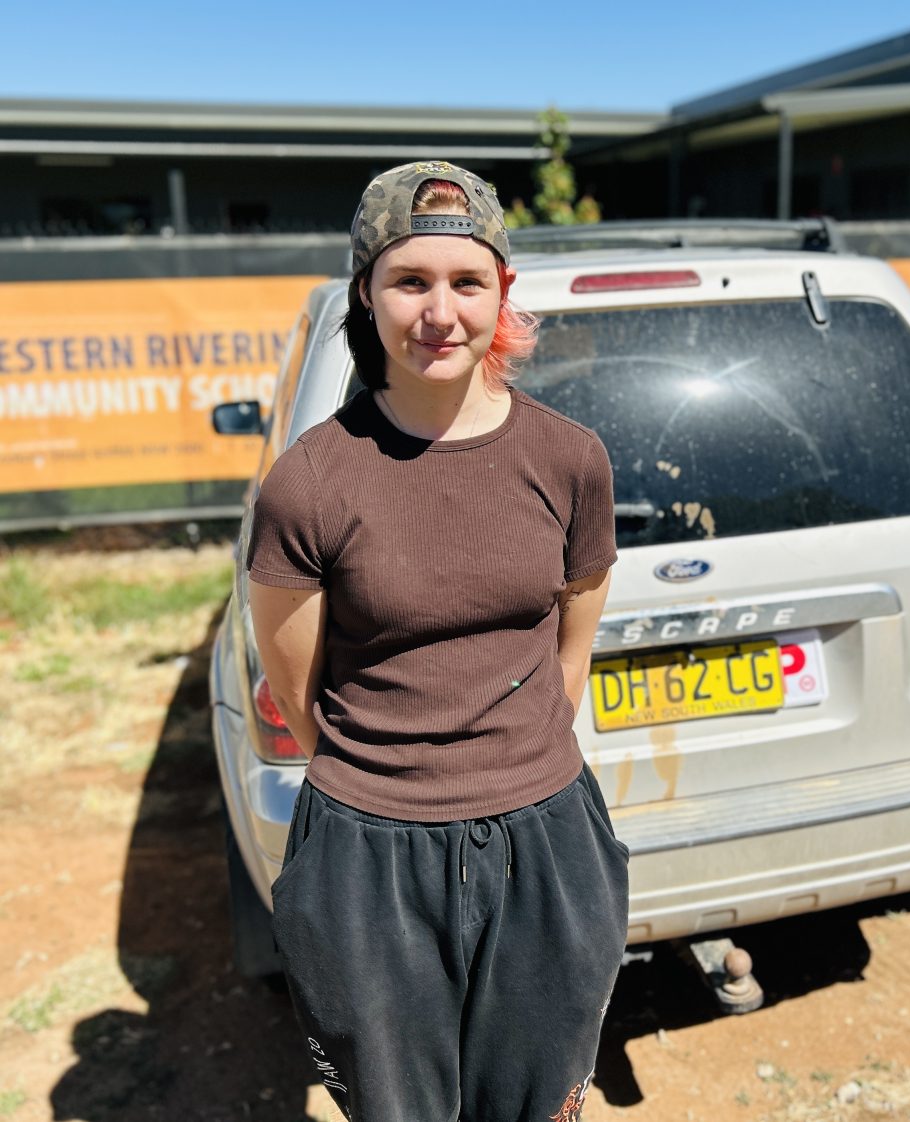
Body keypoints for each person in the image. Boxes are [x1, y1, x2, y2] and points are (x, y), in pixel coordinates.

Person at [246, 160, 628, 1122]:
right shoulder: (310, 484)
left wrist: (514, 760)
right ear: (365, 294)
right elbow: (298, 694)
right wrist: (399, 784)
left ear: (503, 292)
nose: (440, 313)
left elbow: (571, 646)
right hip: (370, 857)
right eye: (410, 281)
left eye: (467, 282)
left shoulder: (570, 459)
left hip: (546, 843)